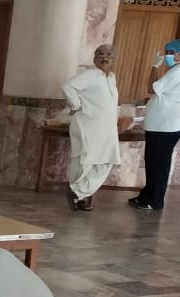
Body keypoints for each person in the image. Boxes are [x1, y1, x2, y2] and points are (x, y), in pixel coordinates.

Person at [129, 39, 180, 211]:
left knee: (158, 164)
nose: (168, 56)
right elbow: (164, 94)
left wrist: (154, 66)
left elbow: (152, 87)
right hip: (159, 125)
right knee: (152, 161)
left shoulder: (179, 71)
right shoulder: (175, 71)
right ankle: (146, 195)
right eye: (167, 52)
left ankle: (154, 201)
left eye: (172, 53)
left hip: (167, 126)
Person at [61, 44, 120, 212]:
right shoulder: (90, 75)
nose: (104, 57)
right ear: (95, 58)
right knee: (84, 162)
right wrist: (77, 105)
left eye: (108, 55)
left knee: (106, 162)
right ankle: (79, 197)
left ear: (113, 59)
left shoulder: (111, 77)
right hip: (87, 125)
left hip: (107, 128)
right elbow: (67, 87)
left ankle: (77, 191)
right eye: (100, 54)